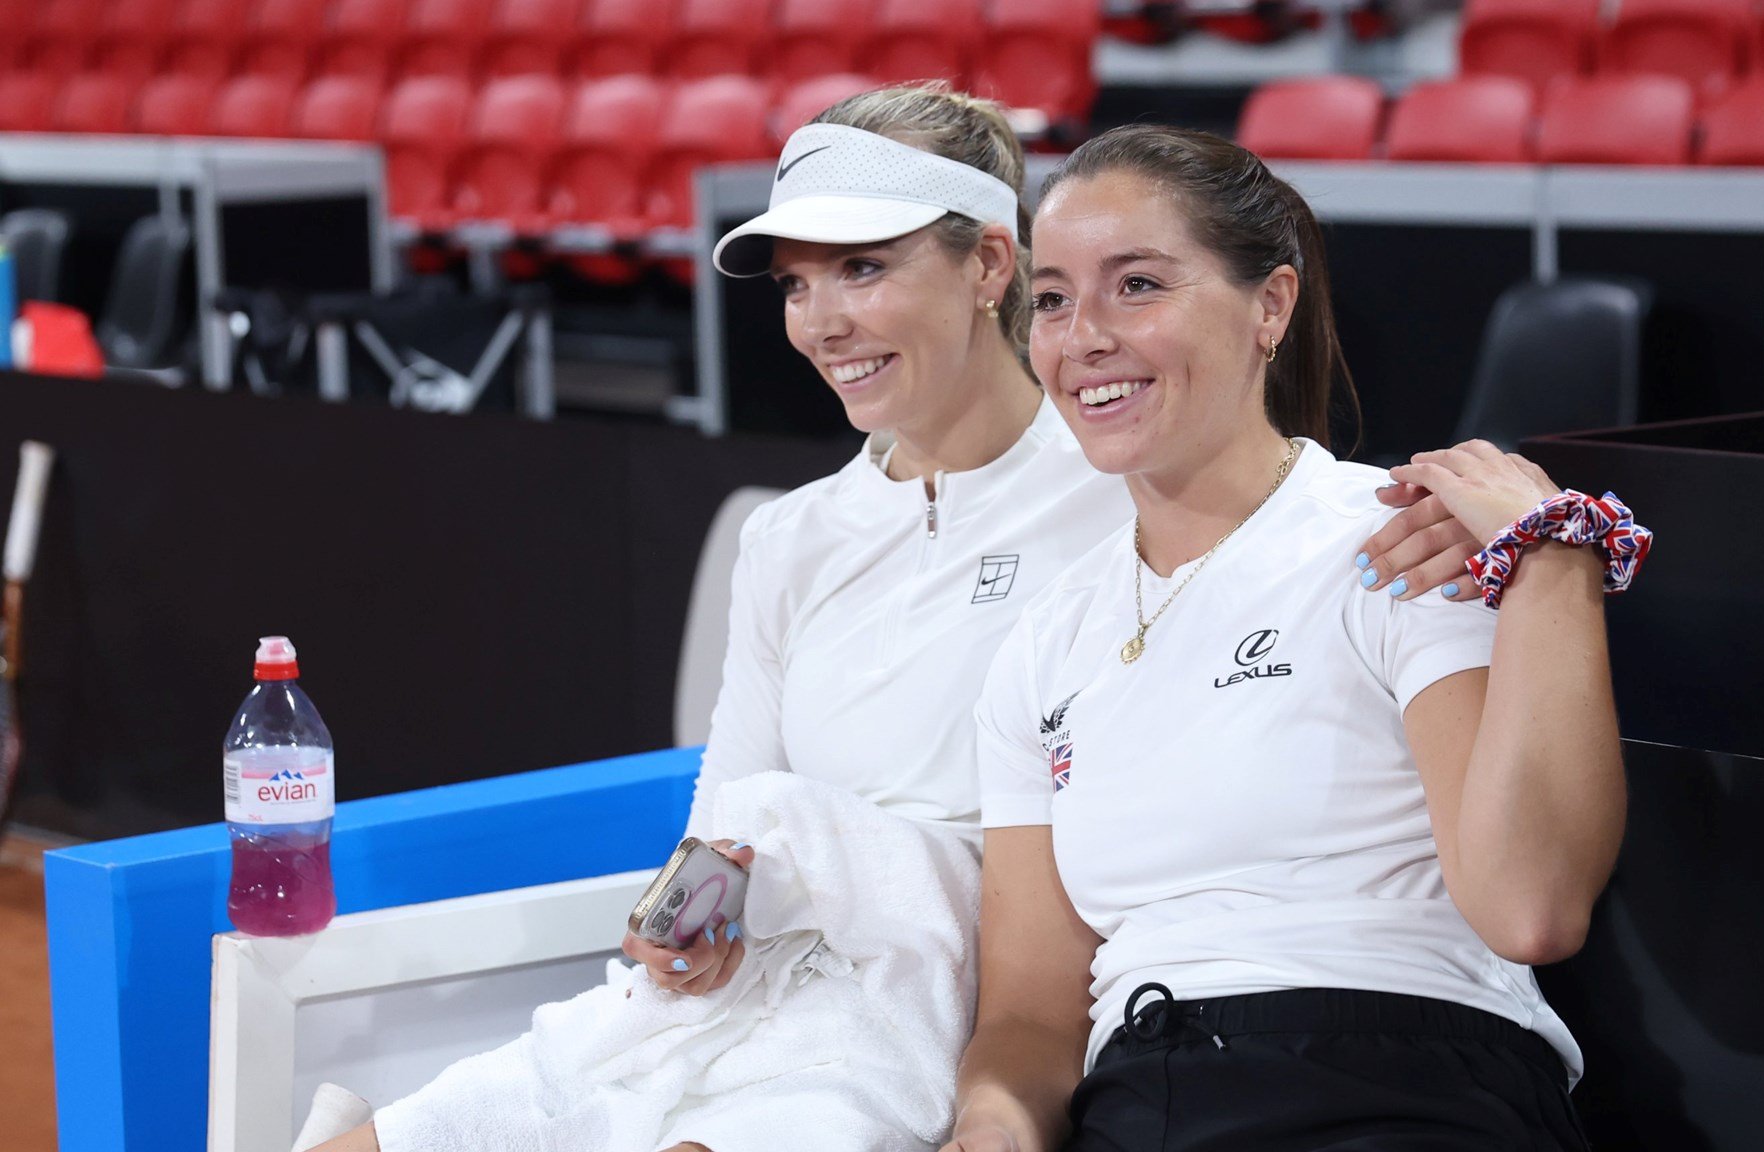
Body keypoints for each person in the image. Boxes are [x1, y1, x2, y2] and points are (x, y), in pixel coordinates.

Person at [307, 87, 1492, 1152]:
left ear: (986, 268)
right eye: (795, 284)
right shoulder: (788, 540)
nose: (820, 320)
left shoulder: (1128, 475)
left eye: (860, 269)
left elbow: (1289, 541)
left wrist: (1497, 536)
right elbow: (731, 820)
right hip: (743, 998)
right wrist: (695, 914)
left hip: (937, 1019)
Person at [949, 125, 1648, 1152]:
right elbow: (1028, 1020)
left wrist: (1551, 563)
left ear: (1268, 306)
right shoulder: (1041, 643)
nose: (1081, 335)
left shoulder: (1399, 540)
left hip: (1400, 1079)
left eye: (1136, 284)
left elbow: (1529, 909)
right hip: (1142, 1094)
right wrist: (993, 1125)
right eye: (1050, 299)